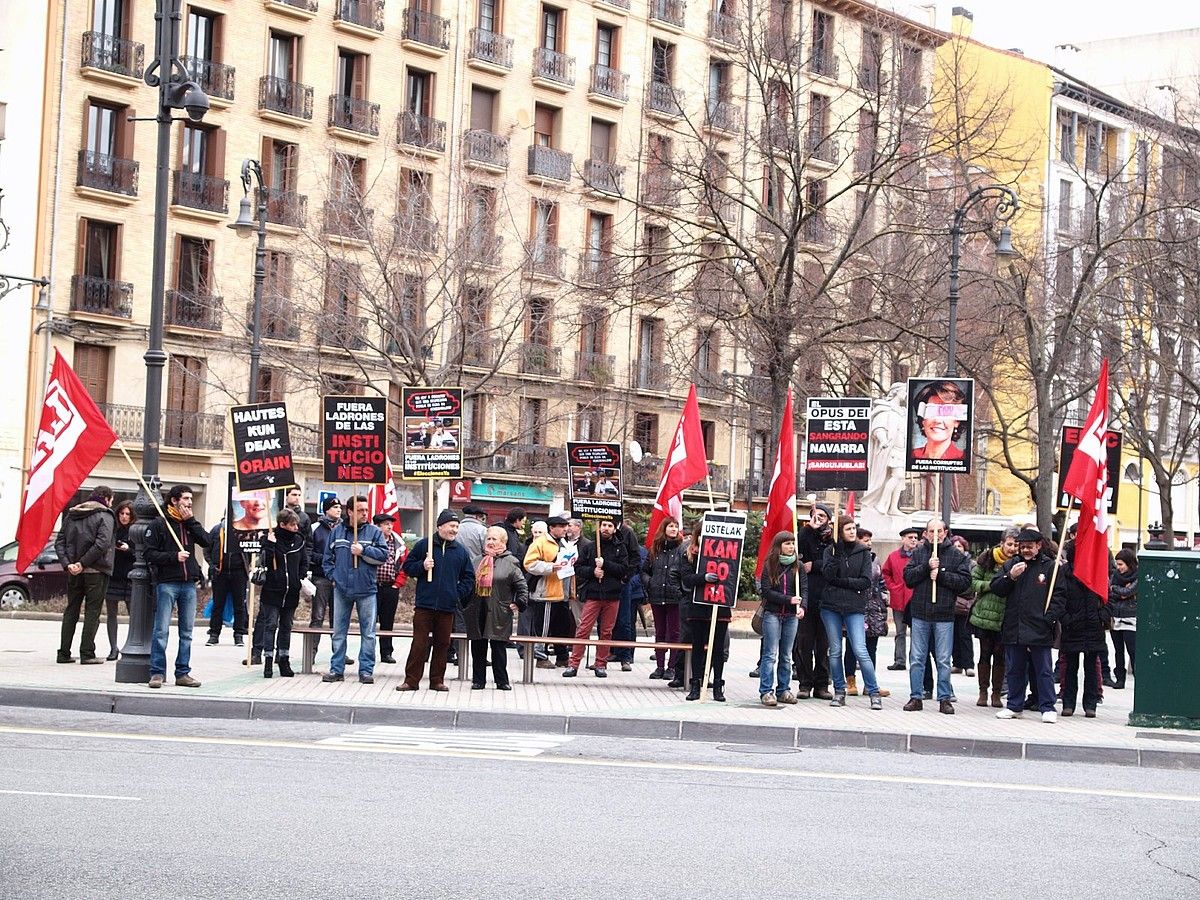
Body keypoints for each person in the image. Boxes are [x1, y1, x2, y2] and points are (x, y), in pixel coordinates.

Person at [990, 527, 1066, 723]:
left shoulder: (1050, 567)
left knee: (1043, 670)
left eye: (1029, 547)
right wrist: (1011, 577)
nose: (1025, 551)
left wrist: (1048, 618)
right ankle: (1015, 705)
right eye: (1021, 547)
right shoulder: (1011, 564)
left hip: (1039, 627)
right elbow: (996, 588)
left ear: (1038, 546)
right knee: (1014, 668)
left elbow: (1059, 596)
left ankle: (1047, 707)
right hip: (1014, 627)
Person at [398, 510, 475, 691]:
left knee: (443, 645)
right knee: (419, 644)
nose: (454, 530)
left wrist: (456, 594)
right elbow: (407, 567)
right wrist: (422, 566)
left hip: (447, 607)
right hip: (424, 605)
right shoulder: (424, 545)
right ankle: (411, 680)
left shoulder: (460, 552)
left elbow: (469, 577)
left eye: (457, 527)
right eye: (451, 526)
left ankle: (437, 681)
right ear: (440, 526)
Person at [902, 518, 971, 714]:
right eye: (931, 531)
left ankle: (944, 698)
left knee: (942, 659)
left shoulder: (957, 556)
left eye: (939, 531)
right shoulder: (918, 553)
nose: (935, 534)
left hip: (944, 615)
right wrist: (926, 568)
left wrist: (940, 574)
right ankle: (916, 696)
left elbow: (965, 582)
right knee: (916, 658)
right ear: (925, 534)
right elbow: (908, 578)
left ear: (945, 532)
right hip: (920, 613)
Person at [144, 484, 210, 688]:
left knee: (187, 632)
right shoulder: (159, 524)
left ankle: (183, 672)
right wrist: (174, 557)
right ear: (173, 500)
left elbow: (206, 541)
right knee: (161, 630)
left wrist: (191, 521)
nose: (190, 502)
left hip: (188, 583)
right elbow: (149, 554)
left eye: (191, 499)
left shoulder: (188, 523)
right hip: (167, 582)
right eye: (186, 499)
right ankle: (157, 673)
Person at [321, 495, 389, 685]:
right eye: (360, 510)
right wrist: (333, 577)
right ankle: (336, 669)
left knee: (368, 633)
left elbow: (383, 556)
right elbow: (327, 559)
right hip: (342, 589)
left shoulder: (374, 533)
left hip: (366, 589)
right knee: (339, 632)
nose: (365, 513)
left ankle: (366, 671)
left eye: (366, 510)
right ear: (349, 511)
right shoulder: (337, 532)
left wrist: (364, 551)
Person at [821, 517, 884, 709]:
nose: (851, 532)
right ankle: (839, 691)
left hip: (854, 606)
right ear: (840, 531)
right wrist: (836, 555)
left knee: (860, 649)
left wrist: (843, 582)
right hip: (830, 605)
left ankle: (873, 691)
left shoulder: (863, 552)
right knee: (835, 650)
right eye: (847, 529)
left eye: (853, 528)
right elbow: (828, 575)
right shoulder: (830, 550)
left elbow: (865, 581)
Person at [54, 486, 116, 665]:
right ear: (106, 498)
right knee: (92, 611)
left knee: (71, 610)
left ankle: (63, 653)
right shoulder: (105, 515)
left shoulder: (72, 514)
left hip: (74, 571)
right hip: (96, 571)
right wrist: (83, 564)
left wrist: (69, 564)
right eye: (111, 499)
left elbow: (60, 542)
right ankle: (87, 653)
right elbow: (102, 544)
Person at [563, 518, 628, 679]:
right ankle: (574, 664)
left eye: (609, 526)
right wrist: (593, 572)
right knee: (583, 628)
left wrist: (605, 564)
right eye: (603, 525)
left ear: (614, 528)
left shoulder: (620, 548)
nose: (606, 528)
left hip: (612, 595)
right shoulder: (589, 547)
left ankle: (601, 664)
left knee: (606, 631)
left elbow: (623, 570)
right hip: (593, 594)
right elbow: (578, 568)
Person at [671, 519, 728, 701]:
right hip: (698, 605)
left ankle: (717, 684)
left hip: (719, 604)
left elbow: (732, 576)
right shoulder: (690, 552)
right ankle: (695, 684)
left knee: (718, 648)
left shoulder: (726, 552)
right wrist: (703, 577)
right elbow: (686, 578)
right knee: (697, 647)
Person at [464, 526, 528, 689]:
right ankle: (478, 680)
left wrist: (519, 602)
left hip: (499, 609)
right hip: (478, 608)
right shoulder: (477, 560)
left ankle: (502, 681)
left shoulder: (510, 561)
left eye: (494, 539)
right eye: (488, 539)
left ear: (503, 542)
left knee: (498, 647)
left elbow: (521, 586)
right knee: (478, 646)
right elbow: (468, 582)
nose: (490, 542)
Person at [1055, 541, 1106, 717]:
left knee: (1091, 668)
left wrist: (1102, 618)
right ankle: (1068, 703)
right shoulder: (1065, 573)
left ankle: (1090, 704)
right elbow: (1058, 598)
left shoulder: (1096, 572)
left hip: (1093, 627)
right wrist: (1066, 619)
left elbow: (1108, 597)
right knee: (1070, 667)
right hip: (1072, 627)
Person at [969, 527, 1018, 707]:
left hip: (1006, 615)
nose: (1012, 548)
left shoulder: (1019, 563)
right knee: (985, 654)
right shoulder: (987, 558)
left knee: (1000, 656)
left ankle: (997, 693)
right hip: (985, 614)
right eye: (1010, 544)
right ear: (1002, 543)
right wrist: (994, 585)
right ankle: (983, 691)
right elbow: (973, 582)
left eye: (1016, 545)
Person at [757, 531, 806, 707]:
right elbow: (766, 591)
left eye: (793, 543)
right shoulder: (770, 565)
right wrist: (789, 600)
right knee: (770, 654)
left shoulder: (797, 566)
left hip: (791, 616)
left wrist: (802, 607)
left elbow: (804, 589)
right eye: (787, 543)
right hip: (773, 614)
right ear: (779, 546)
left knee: (786, 655)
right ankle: (766, 691)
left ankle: (783, 689)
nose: (791, 546)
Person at [259, 508, 307, 679]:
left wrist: (298, 577)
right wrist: (270, 544)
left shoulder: (299, 541)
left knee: (286, 626)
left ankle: (284, 659)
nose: (295, 528)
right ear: (282, 525)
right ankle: (268, 660)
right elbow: (265, 560)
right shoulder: (270, 538)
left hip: (291, 591)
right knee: (271, 625)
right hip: (273, 590)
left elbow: (304, 562)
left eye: (296, 524)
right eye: (292, 525)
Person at [844, 527, 891, 698]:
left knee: (871, 648)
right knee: (853, 646)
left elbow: (881, 582)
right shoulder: (851, 558)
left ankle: (870, 683)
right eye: (865, 540)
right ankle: (850, 681)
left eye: (870, 540)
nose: (869, 544)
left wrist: (884, 599)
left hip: (874, 609)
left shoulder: (874, 559)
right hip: (856, 607)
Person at [523, 514, 574, 668]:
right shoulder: (540, 543)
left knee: (561, 626)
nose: (566, 529)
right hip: (546, 592)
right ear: (552, 528)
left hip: (561, 592)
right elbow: (529, 563)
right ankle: (540, 656)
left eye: (566, 526)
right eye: (562, 526)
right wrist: (550, 567)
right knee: (543, 627)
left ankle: (562, 656)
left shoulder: (564, 543)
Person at [794, 504, 833, 699]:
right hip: (807, 597)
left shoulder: (832, 539)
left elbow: (834, 563)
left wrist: (815, 565)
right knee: (804, 642)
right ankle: (804, 683)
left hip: (827, 598)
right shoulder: (806, 534)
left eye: (822, 516)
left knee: (823, 645)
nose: (818, 519)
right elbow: (797, 555)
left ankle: (822, 684)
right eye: (815, 515)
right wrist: (808, 528)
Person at [642, 519, 684, 680]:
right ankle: (659, 666)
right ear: (664, 528)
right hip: (657, 596)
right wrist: (650, 583)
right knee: (660, 632)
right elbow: (644, 571)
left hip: (675, 597)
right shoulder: (655, 549)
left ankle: (671, 667)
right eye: (671, 526)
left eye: (676, 526)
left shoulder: (681, 549)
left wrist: (680, 588)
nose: (674, 529)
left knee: (675, 633)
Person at [308, 497, 343, 664]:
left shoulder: (345, 528)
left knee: (338, 617)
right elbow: (309, 552)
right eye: (335, 507)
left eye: (340, 507)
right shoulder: (315, 528)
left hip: (339, 579)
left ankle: (339, 653)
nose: (338, 510)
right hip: (321, 578)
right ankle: (311, 652)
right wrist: (326, 559)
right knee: (318, 616)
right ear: (326, 510)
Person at [206, 519, 248, 648]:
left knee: (239, 604)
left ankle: (239, 634)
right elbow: (207, 548)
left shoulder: (244, 530)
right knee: (218, 604)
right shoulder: (217, 529)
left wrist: (247, 565)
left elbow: (252, 548)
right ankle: (214, 634)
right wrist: (213, 564)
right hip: (220, 572)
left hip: (239, 572)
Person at [882, 526, 918, 670]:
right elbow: (886, 573)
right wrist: (893, 587)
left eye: (916, 537)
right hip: (899, 599)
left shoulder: (921, 555)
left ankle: (915, 660)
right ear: (903, 539)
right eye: (910, 537)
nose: (914, 540)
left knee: (917, 633)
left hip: (915, 599)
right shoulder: (893, 556)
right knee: (900, 632)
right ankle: (900, 660)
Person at [610, 520, 644, 670]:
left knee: (624, 621)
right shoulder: (600, 533)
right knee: (606, 622)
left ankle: (625, 656)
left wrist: (625, 577)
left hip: (623, 584)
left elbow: (636, 559)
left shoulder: (627, 532)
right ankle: (605, 654)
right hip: (604, 583)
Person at [104, 499, 134, 661]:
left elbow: (140, 554)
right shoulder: (113, 529)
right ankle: (113, 648)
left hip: (129, 577)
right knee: (111, 614)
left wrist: (128, 549)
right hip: (113, 575)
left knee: (133, 614)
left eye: (127, 514)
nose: (124, 517)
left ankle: (131, 645)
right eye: (121, 513)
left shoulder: (136, 530)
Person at [374, 513, 406, 665]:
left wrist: (397, 584)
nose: (389, 526)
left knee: (388, 622)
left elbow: (404, 564)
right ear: (377, 526)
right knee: (369, 621)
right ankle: (368, 652)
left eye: (391, 524)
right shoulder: (371, 541)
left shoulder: (397, 543)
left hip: (390, 587)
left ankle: (386, 652)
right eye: (386, 524)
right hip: (372, 587)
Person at [911, 380, 969, 461]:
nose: (938, 420)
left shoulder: (961, 458)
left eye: (946, 412)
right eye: (931, 411)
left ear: (957, 421)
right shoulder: (911, 456)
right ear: (922, 420)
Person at [1109, 548, 1137, 689]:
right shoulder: (1115, 575)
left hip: (1131, 617)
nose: (1118, 568)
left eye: (1121, 564)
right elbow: (1110, 591)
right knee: (1118, 650)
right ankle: (1120, 679)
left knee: (1132, 650)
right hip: (1115, 616)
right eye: (1117, 564)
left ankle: (1139, 677)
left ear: (1129, 563)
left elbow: (1129, 591)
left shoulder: (1138, 576)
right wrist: (1119, 591)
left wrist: (1117, 590)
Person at [949, 534, 976, 676]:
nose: (957, 548)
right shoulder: (949, 561)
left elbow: (970, 583)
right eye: (954, 546)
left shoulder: (971, 564)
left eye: (959, 546)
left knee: (965, 635)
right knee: (952, 635)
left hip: (966, 604)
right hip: (951, 604)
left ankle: (968, 664)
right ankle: (957, 663)